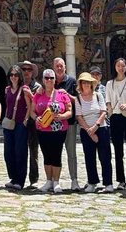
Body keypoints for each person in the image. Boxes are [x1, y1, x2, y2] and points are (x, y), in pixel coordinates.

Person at [30, 68, 73, 194]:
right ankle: (49, 180)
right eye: (46, 78)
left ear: (55, 80)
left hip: (58, 129)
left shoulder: (62, 94)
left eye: (51, 78)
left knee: (56, 154)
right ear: (43, 80)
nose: (49, 80)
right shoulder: (39, 94)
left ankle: (56, 182)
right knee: (46, 155)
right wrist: (36, 118)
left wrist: (62, 116)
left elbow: (69, 111)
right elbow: (32, 111)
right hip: (43, 129)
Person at [105, 58, 126, 190]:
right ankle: (120, 180)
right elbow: (108, 101)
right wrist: (111, 112)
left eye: (123, 66)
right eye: (118, 66)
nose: (120, 68)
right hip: (116, 118)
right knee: (118, 150)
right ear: (115, 67)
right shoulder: (110, 83)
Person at [76, 72, 113, 193]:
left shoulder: (98, 96)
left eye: (88, 82)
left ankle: (108, 183)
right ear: (80, 84)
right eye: (83, 82)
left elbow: (103, 112)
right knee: (89, 157)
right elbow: (79, 117)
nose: (86, 84)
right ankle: (92, 182)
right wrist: (90, 132)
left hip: (101, 128)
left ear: (92, 84)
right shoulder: (78, 99)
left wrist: (95, 127)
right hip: (86, 131)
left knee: (105, 157)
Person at [3, 65, 33, 190]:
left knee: (20, 151)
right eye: (11, 75)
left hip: (20, 124)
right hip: (9, 123)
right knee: (8, 152)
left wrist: (26, 120)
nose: (13, 77)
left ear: (19, 76)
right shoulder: (7, 90)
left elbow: (30, 105)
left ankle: (20, 180)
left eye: (16, 75)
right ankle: (13, 177)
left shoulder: (25, 89)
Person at [53, 57, 80, 191]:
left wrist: (68, 95)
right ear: (53, 67)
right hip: (54, 123)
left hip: (69, 122)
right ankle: (54, 180)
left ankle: (74, 180)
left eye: (61, 66)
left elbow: (78, 101)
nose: (59, 68)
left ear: (65, 67)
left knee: (71, 152)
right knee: (55, 152)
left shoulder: (71, 81)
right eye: (57, 66)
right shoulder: (50, 81)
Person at [19, 60, 42, 188]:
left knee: (33, 151)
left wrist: (31, 95)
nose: (26, 72)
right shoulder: (19, 84)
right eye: (24, 69)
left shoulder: (37, 86)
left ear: (32, 72)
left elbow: (39, 105)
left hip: (33, 122)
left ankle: (34, 179)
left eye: (28, 69)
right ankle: (20, 178)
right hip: (20, 121)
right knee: (20, 150)